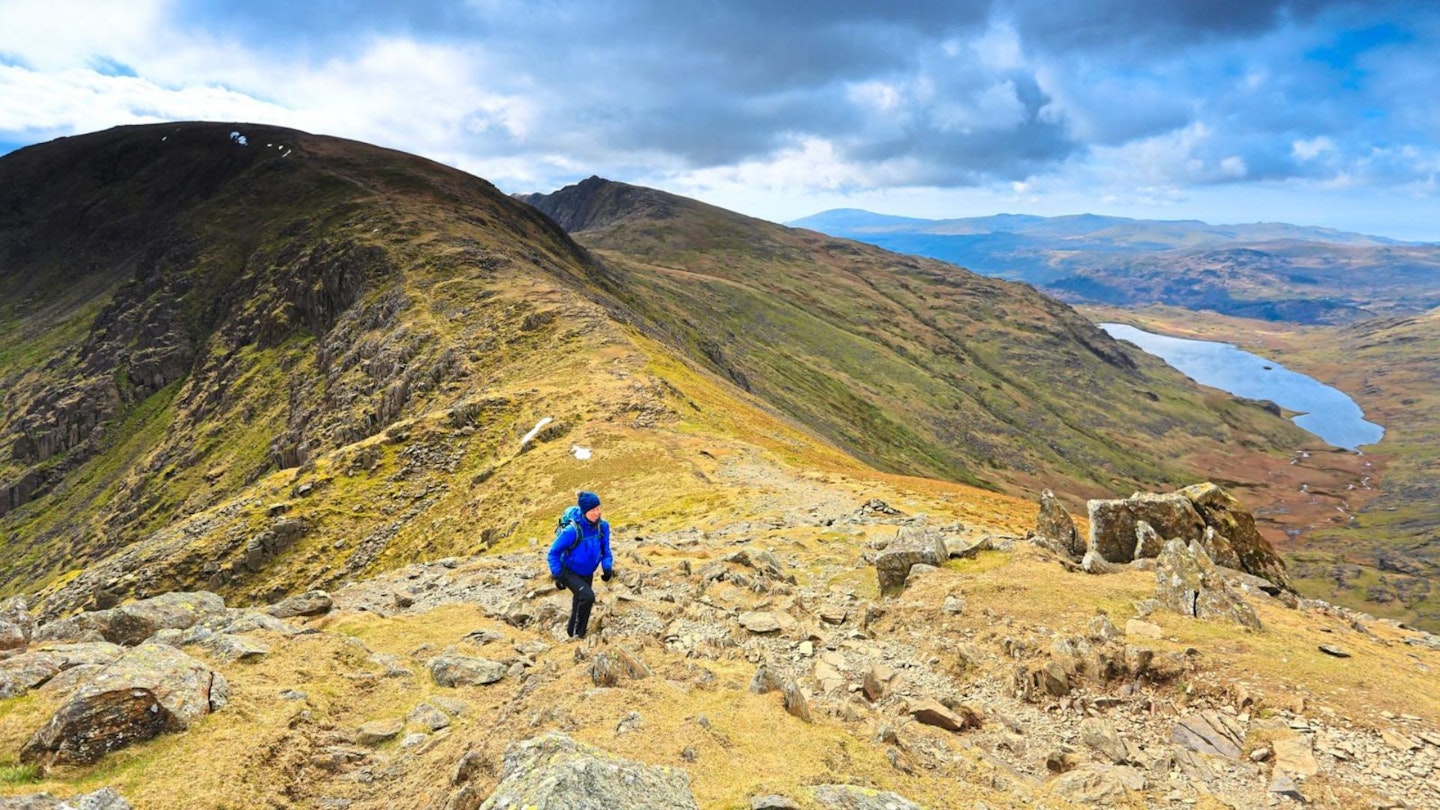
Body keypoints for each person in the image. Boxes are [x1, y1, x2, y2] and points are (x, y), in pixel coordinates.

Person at [547, 490, 614, 640]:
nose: (597, 513)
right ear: (584, 511)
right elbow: (553, 553)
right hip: (569, 570)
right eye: (593, 510)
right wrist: (557, 574)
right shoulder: (572, 530)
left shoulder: (603, 527)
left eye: (598, 508)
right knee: (587, 596)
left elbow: (606, 550)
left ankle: (572, 633)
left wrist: (607, 567)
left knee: (580, 601)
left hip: (587, 570)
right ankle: (579, 635)